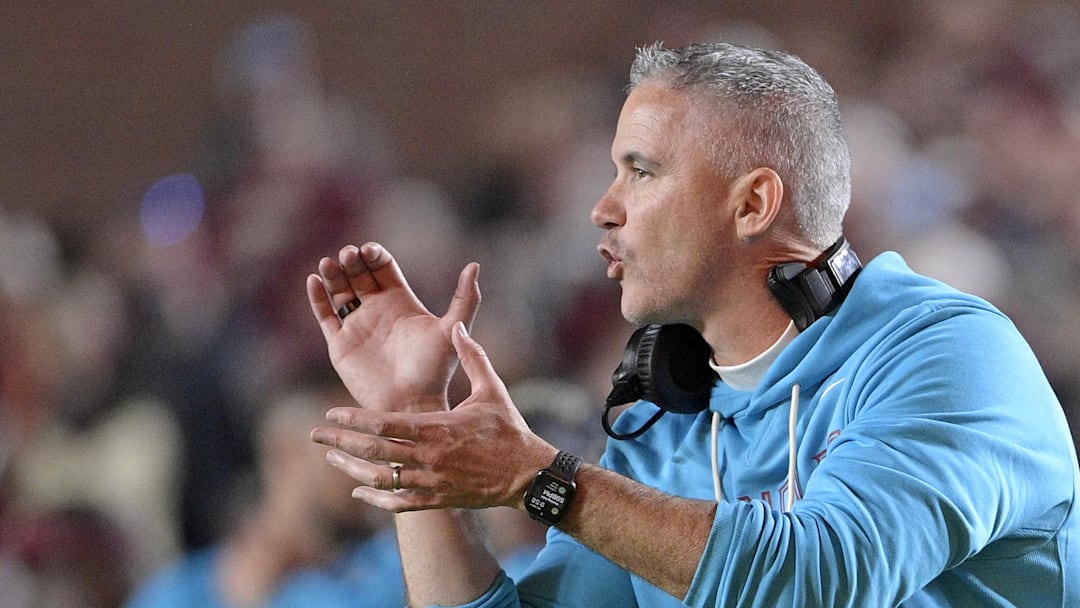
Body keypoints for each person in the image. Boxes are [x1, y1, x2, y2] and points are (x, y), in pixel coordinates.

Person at [306, 42, 1080, 607]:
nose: (602, 208)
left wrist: (540, 479)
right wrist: (416, 422)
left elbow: (825, 577)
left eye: (640, 171)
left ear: (752, 204)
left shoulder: (947, 354)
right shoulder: (662, 424)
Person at [125, 382, 405, 608]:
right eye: (352, 446)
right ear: (287, 453)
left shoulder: (396, 568)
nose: (376, 467)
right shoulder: (178, 592)